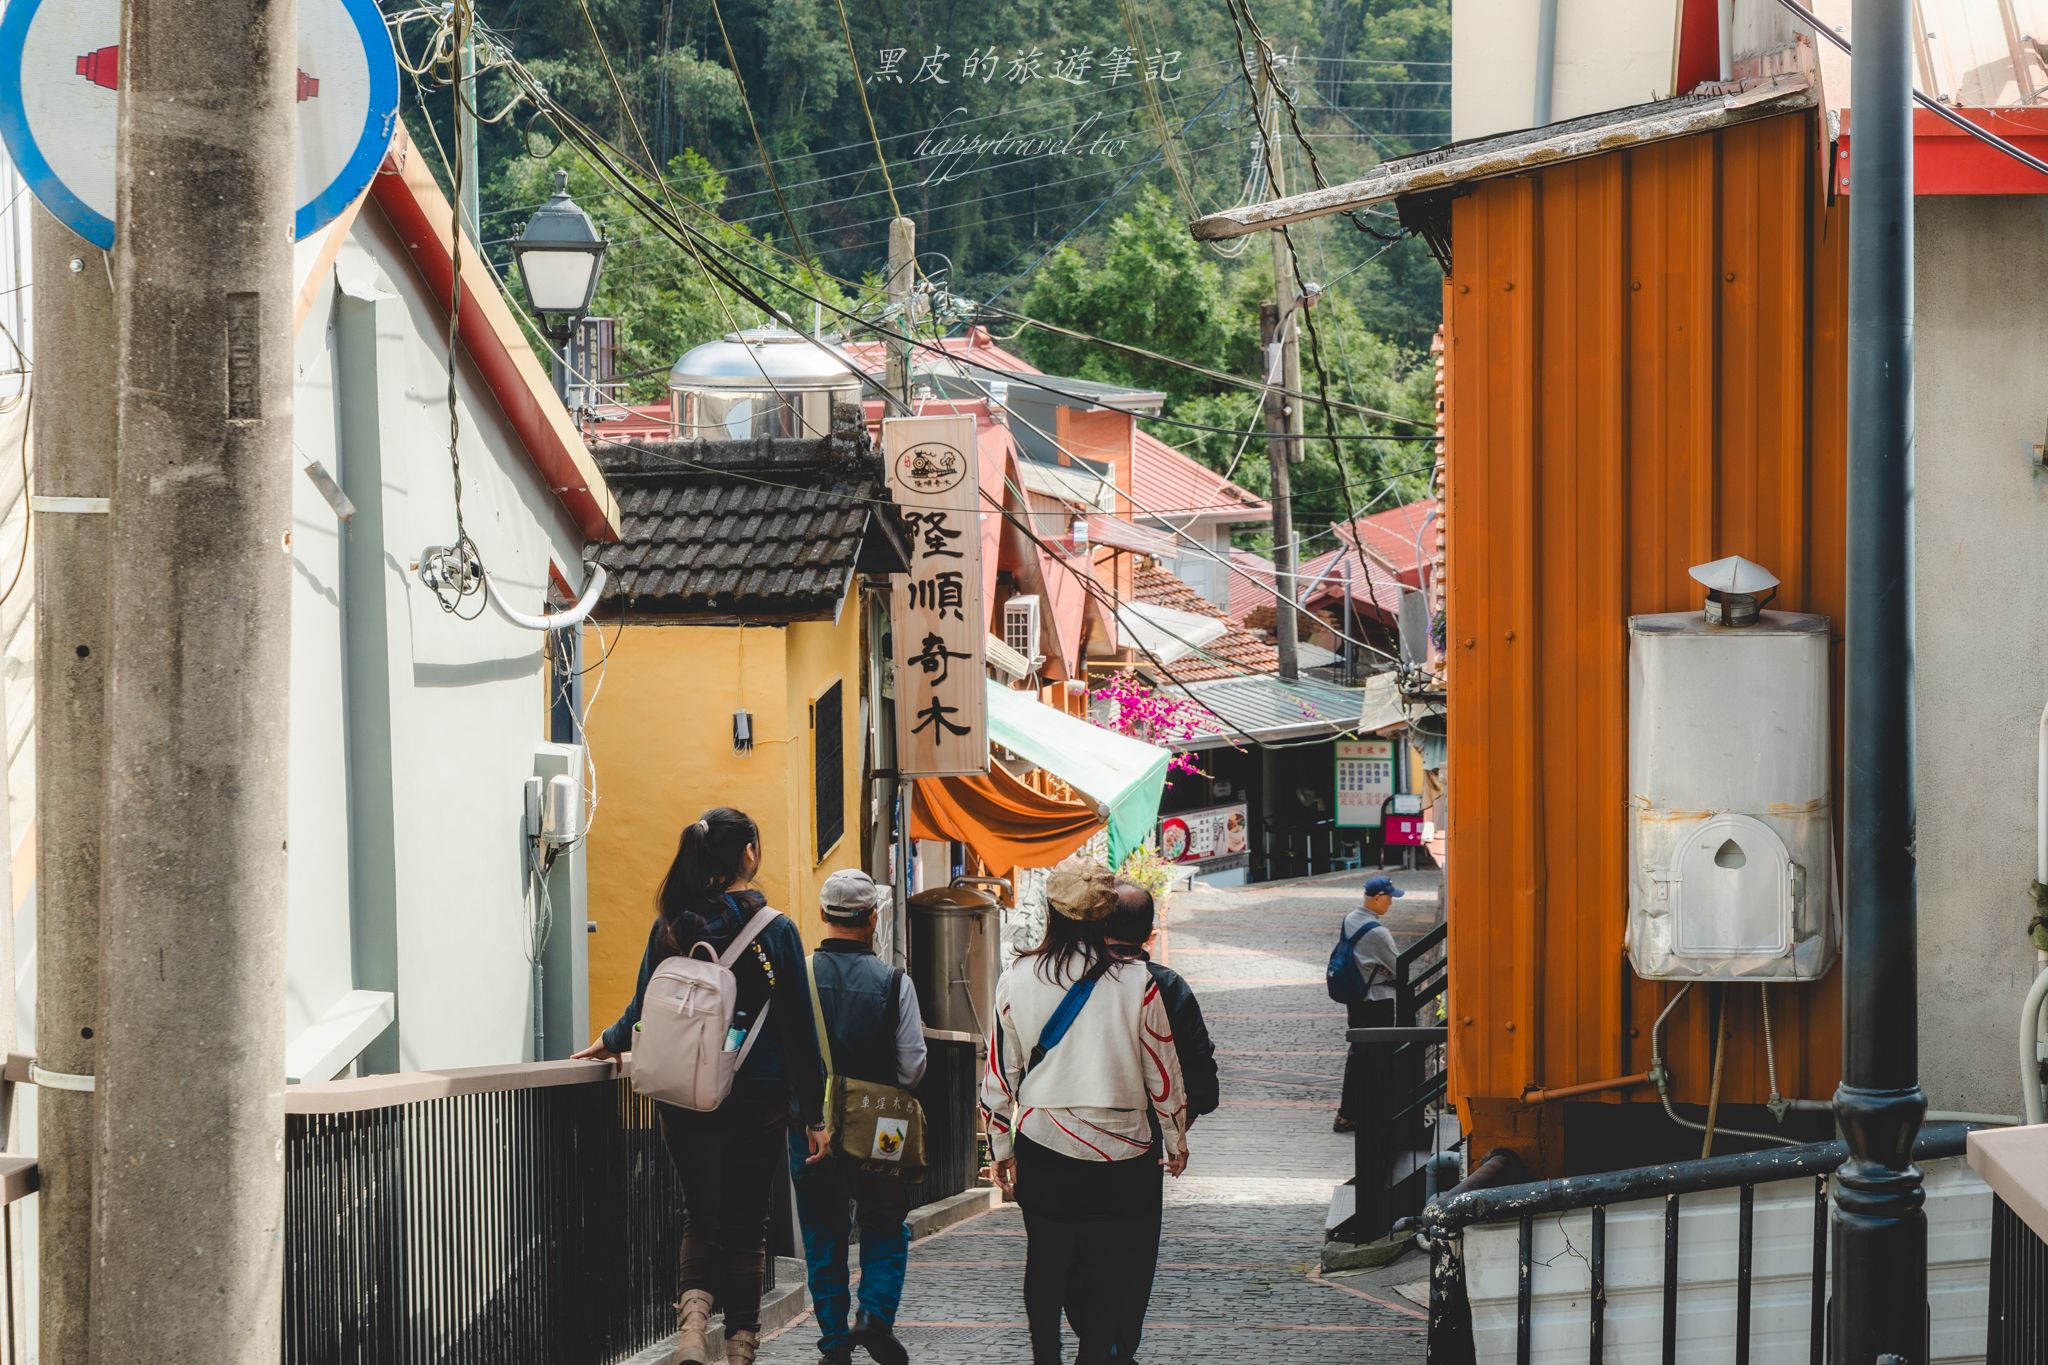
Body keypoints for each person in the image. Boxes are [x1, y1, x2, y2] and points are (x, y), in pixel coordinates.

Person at [573, 807, 827, 1365]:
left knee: (700, 1214)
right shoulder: (776, 931)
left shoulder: (672, 925)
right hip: (756, 1095)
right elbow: (797, 1028)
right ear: (750, 854)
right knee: (747, 1223)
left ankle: (691, 1328)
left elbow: (645, 1004)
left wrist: (611, 1040)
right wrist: (813, 1114)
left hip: (683, 1094)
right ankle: (739, 1345)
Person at [980, 856, 1190, 1365]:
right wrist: (1176, 1138)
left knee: (1047, 1261)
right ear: (1104, 916)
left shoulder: (1017, 977)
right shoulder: (1139, 984)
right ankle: (1096, 1354)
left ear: (1051, 911)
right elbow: (1162, 1073)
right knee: (1110, 1269)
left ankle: (1045, 1357)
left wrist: (1000, 1147)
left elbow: (998, 1074)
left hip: (1043, 1142)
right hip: (1124, 1151)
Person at [791, 868, 927, 1365]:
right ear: (873, 917)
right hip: (881, 1126)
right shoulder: (895, 982)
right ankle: (874, 1316)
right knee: (886, 1224)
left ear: (823, 915)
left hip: (813, 1127)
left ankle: (833, 1341)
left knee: (823, 1232)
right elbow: (911, 1067)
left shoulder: (799, 976)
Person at [1102, 879, 1218, 1363]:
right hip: (1140, 1150)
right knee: (1132, 1256)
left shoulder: (1060, 980)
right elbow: (1202, 1084)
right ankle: (1116, 1345)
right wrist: (1172, 1126)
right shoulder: (1166, 986)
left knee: (1069, 1249)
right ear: (1150, 933)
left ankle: (1093, 1335)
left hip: (1061, 1144)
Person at [1335, 874, 1404, 1135]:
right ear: (1377, 898)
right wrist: (1387, 973)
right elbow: (1399, 968)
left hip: (1356, 998)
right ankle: (1374, 1115)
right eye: (1389, 898)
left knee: (1359, 1057)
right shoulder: (1378, 933)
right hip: (1377, 1002)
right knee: (1379, 1059)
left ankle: (1348, 1113)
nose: (1391, 904)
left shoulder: (1351, 918)